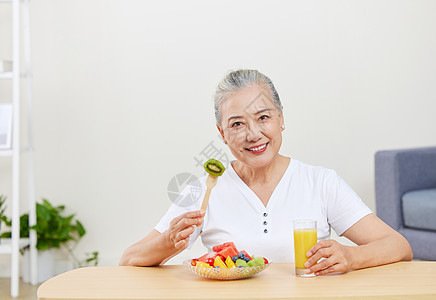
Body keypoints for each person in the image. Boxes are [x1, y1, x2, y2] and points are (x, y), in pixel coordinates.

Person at [119, 69, 413, 276]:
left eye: (263, 117)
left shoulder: (321, 182)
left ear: (281, 118)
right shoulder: (202, 191)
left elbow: (398, 246)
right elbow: (129, 259)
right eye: (237, 124)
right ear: (221, 133)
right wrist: (167, 241)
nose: (254, 134)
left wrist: (351, 256)